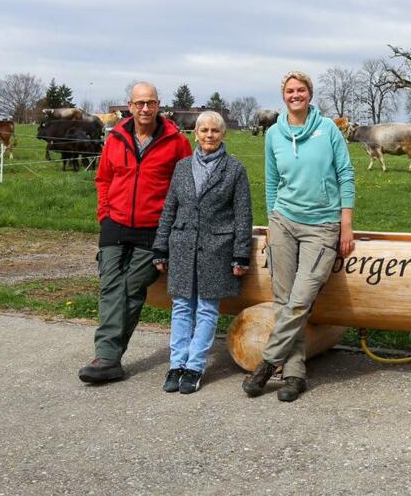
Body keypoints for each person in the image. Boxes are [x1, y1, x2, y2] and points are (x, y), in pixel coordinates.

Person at [242, 71, 355, 402]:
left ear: (309, 93)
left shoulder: (328, 129)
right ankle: (294, 374)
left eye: (301, 90)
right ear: (283, 96)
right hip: (283, 223)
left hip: (321, 226)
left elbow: (346, 174)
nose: (295, 95)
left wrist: (345, 224)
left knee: (301, 299)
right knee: (283, 300)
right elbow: (272, 179)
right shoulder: (274, 133)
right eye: (290, 91)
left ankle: (266, 364)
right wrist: (271, 221)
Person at [79, 82, 192, 383]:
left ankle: (107, 357)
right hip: (115, 223)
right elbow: (103, 179)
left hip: (153, 228)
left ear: (159, 105)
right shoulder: (115, 138)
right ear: (129, 106)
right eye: (139, 103)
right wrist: (104, 214)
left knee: (132, 288)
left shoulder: (176, 141)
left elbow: (186, 188)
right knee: (110, 288)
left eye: (150, 103)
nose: (145, 108)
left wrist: (172, 228)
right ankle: (107, 357)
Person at [152, 111, 252, 394]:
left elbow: (243, 215)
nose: (209, 135)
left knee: (207, 309)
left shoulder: (234, 170)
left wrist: (240, 254)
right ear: (195, 134)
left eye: (215, 131)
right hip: (182, 246)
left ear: (223, 135)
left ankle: (195, 367)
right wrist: (161, 247)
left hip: (216, 249)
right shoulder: (182, 168)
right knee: (182, 307)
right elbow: (170, 208)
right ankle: (176, 365)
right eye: (204, 130)